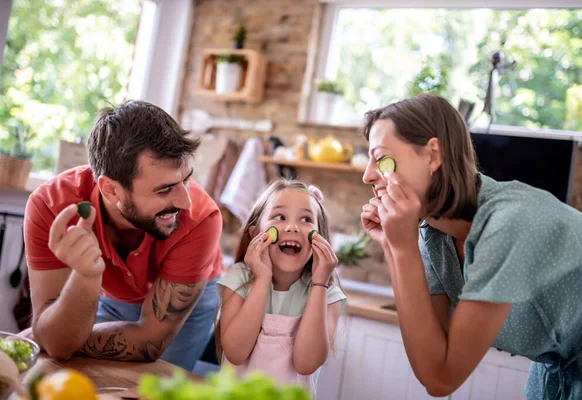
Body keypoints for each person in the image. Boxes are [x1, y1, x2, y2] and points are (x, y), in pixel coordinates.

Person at [360, 94, 582, 399]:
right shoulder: (433, 235)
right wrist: (393, 247)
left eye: (381, 159)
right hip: (560, 372)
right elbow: (432, 359)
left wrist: (402, 247)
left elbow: (441, 379)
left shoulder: (509, 222)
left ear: (433, 155)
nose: (368, 175)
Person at [22, 100, 222, 371]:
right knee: (67, 371)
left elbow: (150, 339)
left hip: (189, 299)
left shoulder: (201, 219)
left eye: (186, 179)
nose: (186, 202)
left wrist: (54, 338)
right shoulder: (51, 206)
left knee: (158, 387)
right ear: (111, 190)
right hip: (112, 295)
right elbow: (56, 344)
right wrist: (86, 275)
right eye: (164, 190)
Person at [217, 179, 346, 396]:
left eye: (306, 219)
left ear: (319, 239)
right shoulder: (239, 278)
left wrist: (319, 284)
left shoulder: (328, 294)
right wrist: (262, 279)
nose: (292, 227)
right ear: (255, 233)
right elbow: (235, 353)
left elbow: (306, 364)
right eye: (279, 217)